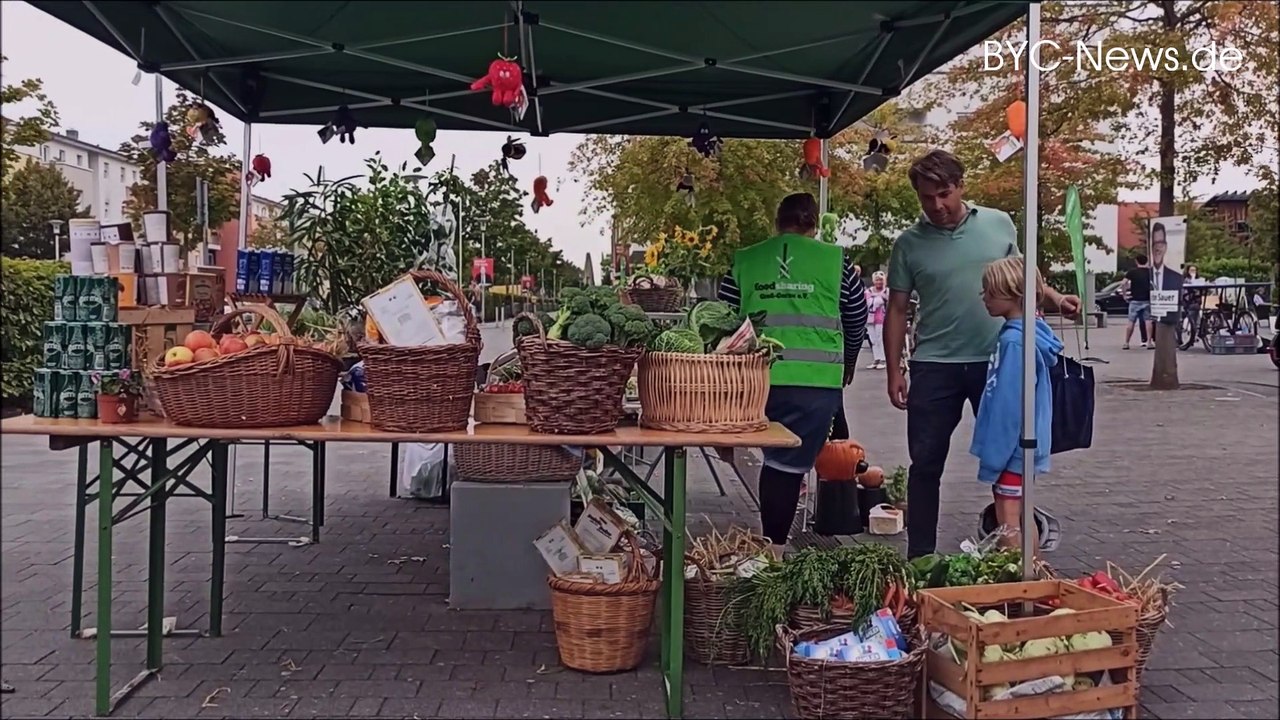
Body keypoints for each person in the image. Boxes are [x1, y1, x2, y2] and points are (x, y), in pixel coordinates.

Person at [883, 149, 1080, 559]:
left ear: (961, 186)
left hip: (998, 362)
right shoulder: (908, 244)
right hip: (934, 365)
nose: (936, 205)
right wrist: (894, 370)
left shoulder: (998, 223)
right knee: (925, 464)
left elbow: (1022, 279)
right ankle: (920, 556)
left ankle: (1014, 548)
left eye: (944, 193)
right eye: (926, 197)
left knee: (1008, 455)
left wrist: (1057, 298)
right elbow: (897, 309)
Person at [719, 192, 867, 556]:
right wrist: (847, 364)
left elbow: (721, 320)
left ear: (776, 222)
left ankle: (772, 548)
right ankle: (776, 553)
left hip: (752, 381)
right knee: (786, 467)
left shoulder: (746, 260)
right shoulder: (836, 261)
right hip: (814, 383)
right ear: (814, 224)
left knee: (775, 462)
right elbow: (856, 316)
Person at [970, 257, 1061, 552]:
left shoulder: (1014, 343)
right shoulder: (1027, 334)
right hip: (1025, 445)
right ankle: (1033, 576)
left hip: (1013, 448)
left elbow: (1008, 406)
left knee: (1008, 517)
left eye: (991, 292)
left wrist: (994, 455)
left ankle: (1021, 580)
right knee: (1022, 513)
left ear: (1013, 294)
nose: (984, 298)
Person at [1122, 254, 1154, 350]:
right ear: (1147, 261)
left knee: (1131, 321)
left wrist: (1124, 295)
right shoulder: (1150, 273)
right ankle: (1149, 342)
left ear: (1136, 261)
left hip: (1135, 300)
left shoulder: (1132, 272)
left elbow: (1123, 283)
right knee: (1148, 321)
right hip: (1147, 299)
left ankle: (1126, 343)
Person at [863, 271, 889, 369]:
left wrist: (876, 300)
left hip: (882, 319)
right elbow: (869, 303)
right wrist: (877, 299)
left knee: (880, 339)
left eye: (881, 280)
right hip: (870, 319)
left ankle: (883, 359)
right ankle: (876, 359)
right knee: (873, 340)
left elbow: (878, 302)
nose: (879, 282)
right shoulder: (868, 291)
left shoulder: (887, 291)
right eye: (877, 280)